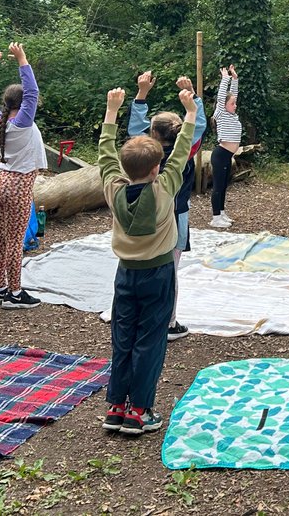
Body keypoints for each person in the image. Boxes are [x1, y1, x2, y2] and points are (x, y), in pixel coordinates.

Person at [99, 85, 196, 436]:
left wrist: (113, 111)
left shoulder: (113, 188)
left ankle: (115, 407)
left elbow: (105, 155)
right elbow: (183, 151)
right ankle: (140, 410)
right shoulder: (165, 188)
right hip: (157, 274)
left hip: (124, 276)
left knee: (122, 339)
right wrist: (190, 113)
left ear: (125, 168)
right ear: (157, 168)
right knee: (150, 341)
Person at [128, 71, 207, 342]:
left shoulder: (143, 152)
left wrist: (141, 94)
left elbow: (133, 129)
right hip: (175, 218)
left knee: (143, 266)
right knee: (169, 271)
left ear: (151, 134)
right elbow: (198, 126)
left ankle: (140, 315)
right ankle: (169, 322)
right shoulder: (182, 155)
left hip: (146, 216)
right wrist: (192, 99)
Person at [0, 43, 45, 310]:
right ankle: (15, 292)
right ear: (24, 105)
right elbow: (32, 92)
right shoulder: (23, 123)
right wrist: (22, 60)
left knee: (3, 238)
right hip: (18, 184)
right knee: (15, 241)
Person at [210, 64, 242, 228]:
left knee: (223, 185)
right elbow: (223, 97)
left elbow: (232, 95)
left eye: (235, 103)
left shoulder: (232, 115)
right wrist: (225, 79)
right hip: (220, 154)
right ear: (224, 106)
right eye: (232, 104)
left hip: (227, 156)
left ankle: (221, 212)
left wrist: (234, 79)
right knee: (217, 186)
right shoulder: (221, 113)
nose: (234, 105)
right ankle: (215, 217)